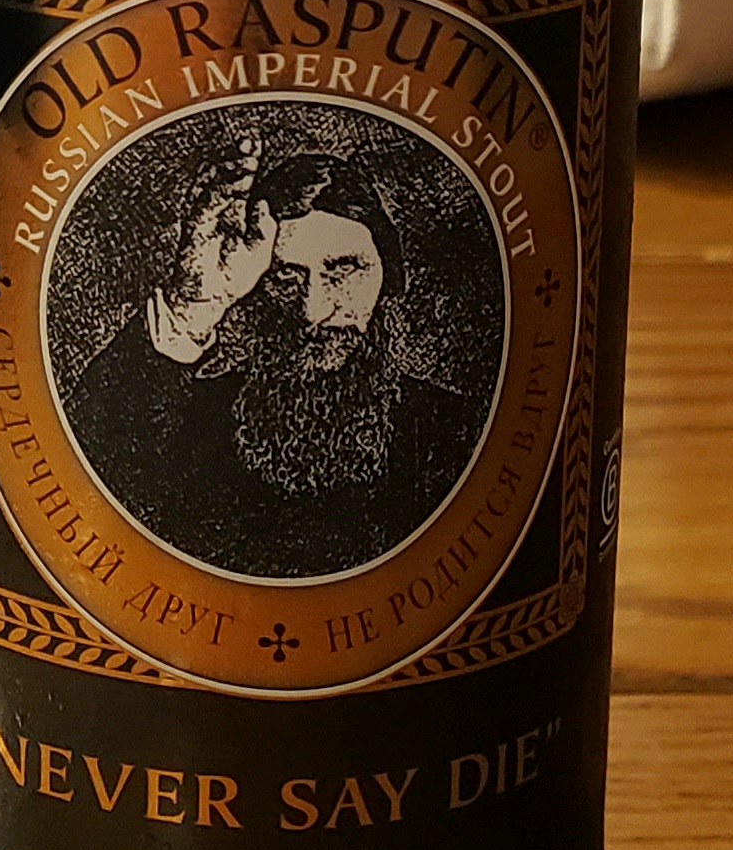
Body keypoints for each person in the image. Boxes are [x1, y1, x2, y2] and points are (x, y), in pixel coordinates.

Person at [62, 144, 485, 583]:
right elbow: (86, 473)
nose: (312, 309)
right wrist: (194, 306)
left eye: (343, 270)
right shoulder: (192, 425)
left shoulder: (453, 434)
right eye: (285, 275)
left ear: (388, 276)